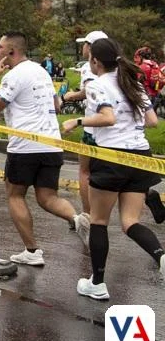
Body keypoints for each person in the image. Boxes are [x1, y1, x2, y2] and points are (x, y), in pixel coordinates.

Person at [62, 38, 165, 299]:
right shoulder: (133, 83)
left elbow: (107, 118)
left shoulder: (97, 85)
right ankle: (162, 258)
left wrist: (77, 120)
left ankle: (97, 283)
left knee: (98, 220)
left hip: (111, 157)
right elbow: (152, 121)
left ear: (95, 61)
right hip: (140, 157)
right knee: (130, 222)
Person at [0, 32, 83, 266]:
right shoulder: (41, 71)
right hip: (51, 143)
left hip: (25, 147)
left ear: (12, 52)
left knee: (14, 194)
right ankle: (79, 220)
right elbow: (57, 104)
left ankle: (32, 251)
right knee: (47, 197)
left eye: (0, 48)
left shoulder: (14, 75)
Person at [63, 30, 108, 241]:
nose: (83, 49)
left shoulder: (90, 67)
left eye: (84, 45)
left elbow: (90, 92)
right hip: (114, 130)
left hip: (92, 129)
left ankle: (87, 215)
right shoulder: (117, 66)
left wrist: (73, 95)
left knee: (85, 171)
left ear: (90, 48)